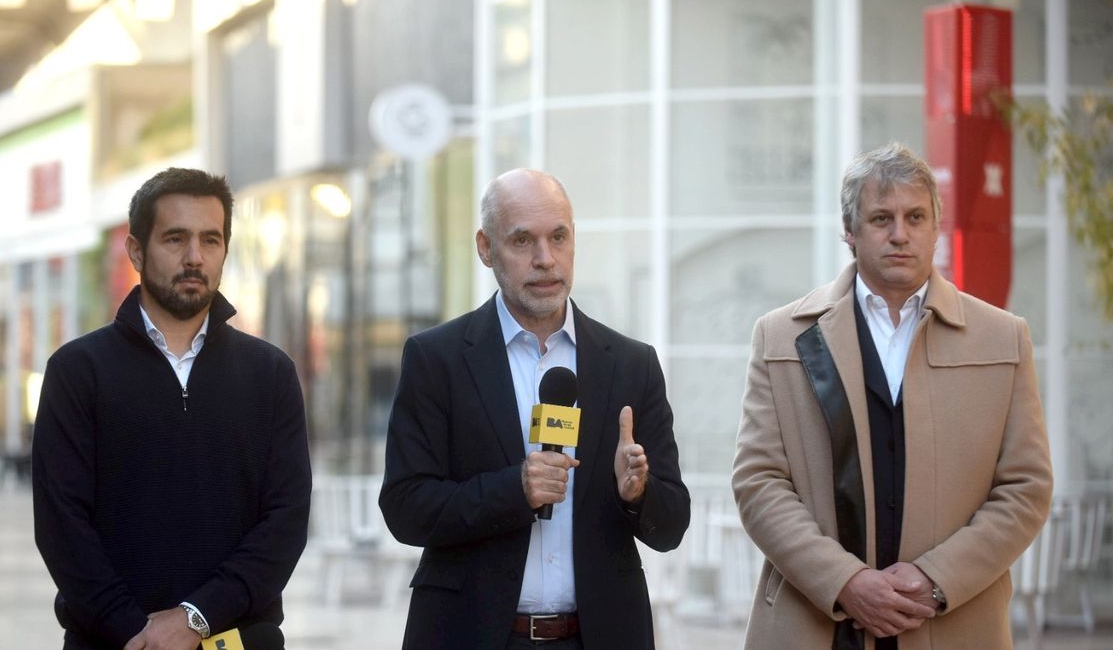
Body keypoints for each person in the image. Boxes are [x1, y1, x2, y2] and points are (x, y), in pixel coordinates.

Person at [732, 142, 1053, 650]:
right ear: (849, 231)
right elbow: (759, 482)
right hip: (814, 626)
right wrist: (845, 582)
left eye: (916, 217)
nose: (900, 234)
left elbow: (1025, 488)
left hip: (952, 624)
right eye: (881, 218)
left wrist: (936, 581)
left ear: (935, 228)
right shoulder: (779, 337)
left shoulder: (1003, 339)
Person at [379, 168, 690, 649]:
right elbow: (404, 508)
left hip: (598, 636)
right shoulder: (435, 359)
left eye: (558, 237)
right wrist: (514, 489)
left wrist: (638, 492)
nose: (545, 260)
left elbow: (671, 526)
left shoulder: (631, 365)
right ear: (486, 248)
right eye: (522, 240)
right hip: (472, 634)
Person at [32, 168, 312, 650]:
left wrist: (194, 619)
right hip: (112, 641)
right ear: (137, 251)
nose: (194, 258)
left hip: (238, 639)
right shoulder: (78, 371)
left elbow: (285, 522)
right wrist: (135, 632)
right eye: (175, 239)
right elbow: (62, 525)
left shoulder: (270, 373)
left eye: (211, 240)